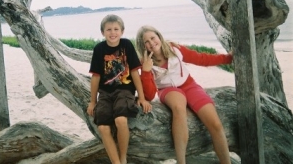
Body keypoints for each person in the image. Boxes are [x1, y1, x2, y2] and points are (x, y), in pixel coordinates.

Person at [135, 25, 232, 164]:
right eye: (146, 42)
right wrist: (145, 71)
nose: (151, 43)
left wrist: (227, 59)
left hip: (189, 85)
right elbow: (150, 95)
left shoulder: (175, 49)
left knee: (215, 124)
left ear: (159, 37)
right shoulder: (144, 63)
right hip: (167, 90)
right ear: (142, 46)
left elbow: (201, 58)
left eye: (153, 38)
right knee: (179, 107)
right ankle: (181, 162)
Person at [87, 14, 152, 164]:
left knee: (121, 120)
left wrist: (141, 97)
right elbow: (96, 77)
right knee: (103, 128)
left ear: (122, 31)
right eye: (108, 29)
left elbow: (135, 72)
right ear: (102, 32)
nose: (112, 32)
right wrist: (92, 101)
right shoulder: (99, 49)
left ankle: (123, 158)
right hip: (105, 94)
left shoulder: (127, 45)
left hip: (125, 91)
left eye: (116, 29)